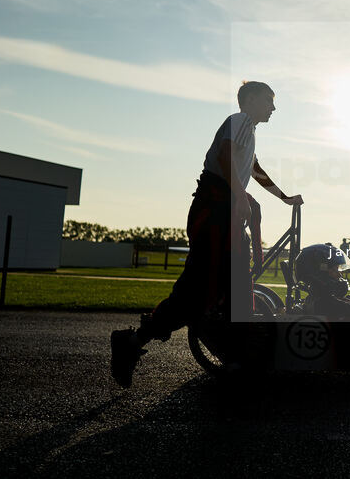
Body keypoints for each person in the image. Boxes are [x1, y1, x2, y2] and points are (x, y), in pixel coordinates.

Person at [110, 81, 303, 388]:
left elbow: (254, 169)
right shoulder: (239, 121)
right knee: (202, 287)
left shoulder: (248, 131)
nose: (274, 108)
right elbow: (226, 155)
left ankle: (237, 358)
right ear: (250, 100)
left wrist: (282, 197)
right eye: (269, 100)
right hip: (214, 211)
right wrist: (240, 196)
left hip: (224, 211)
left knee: (236, 285)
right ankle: (132, 341)